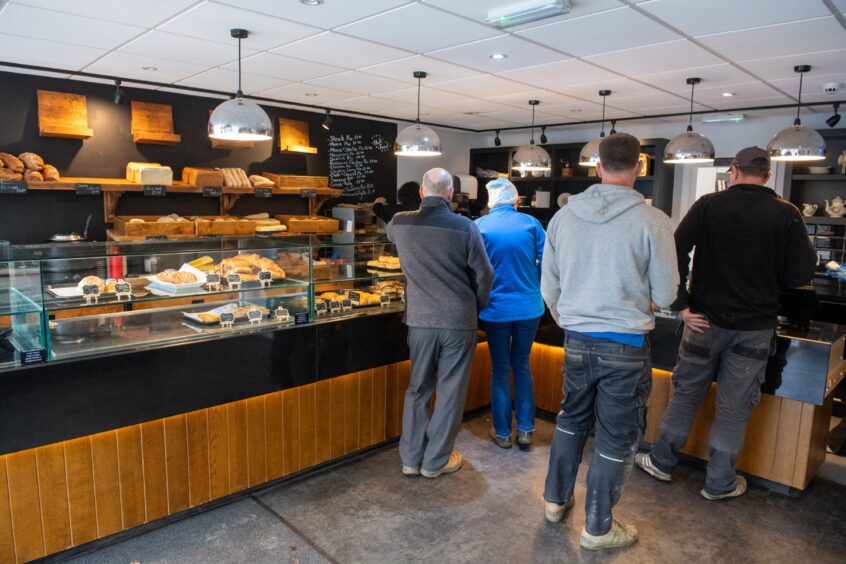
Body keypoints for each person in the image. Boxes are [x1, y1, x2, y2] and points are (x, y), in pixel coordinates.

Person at [636, 147, 817, 500]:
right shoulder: (787, 214)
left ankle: (661, 461)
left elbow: (674, 252)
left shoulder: (708, 205)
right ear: (767, 175)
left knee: (686, 395)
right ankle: (719, 483)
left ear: (734, 170)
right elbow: (801, 273)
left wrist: (681, 304)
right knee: (734, 408)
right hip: (755, 327)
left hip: (703, 322)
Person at [541, 133, 678, 551]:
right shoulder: (653, 221)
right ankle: (598, 528)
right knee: (617, 437)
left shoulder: (564, 218)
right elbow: (669, 294)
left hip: (577, 340)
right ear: (639, 167)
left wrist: (571, 320)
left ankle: (554, 501)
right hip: (626, 345)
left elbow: (549, 285)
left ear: (596, 167)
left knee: (570, 420)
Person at [387, 168, 494, 478]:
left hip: (419, 321)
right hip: (458, 321)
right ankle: (435, 462)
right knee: (450, 391)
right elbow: (485, 275)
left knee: (417, 389)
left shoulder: (401, 223)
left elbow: (389, 232)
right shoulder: (466, 227)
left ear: (422, 192)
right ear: (450, 195)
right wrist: (477, 306)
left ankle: (410, 458)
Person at [474, 178, 545, 449]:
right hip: (529, 307)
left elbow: (473, 270)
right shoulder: (531, 224)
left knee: (501, 370)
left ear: (490, 202)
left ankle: (502, 433)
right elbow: (548, 262)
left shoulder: (478, 227)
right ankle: (526, 429)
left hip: (495, 309)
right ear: (516, 201)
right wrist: (534, 283)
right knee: (523, 365)